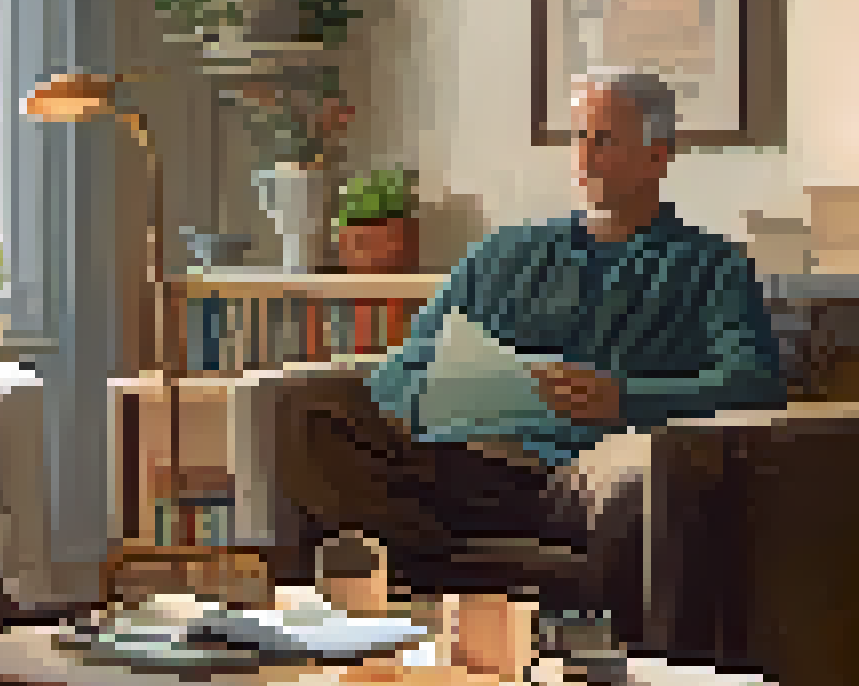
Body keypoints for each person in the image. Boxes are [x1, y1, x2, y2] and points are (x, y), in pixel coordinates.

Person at [279, 65, 785, 620]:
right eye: (579, 138)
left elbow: (754, 385)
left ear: (658, 156)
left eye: (606, 140)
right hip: (470, 464)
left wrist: (624, 399)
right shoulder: (505, 252)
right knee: (308, 415)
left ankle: (452, 590)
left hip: (590, 471)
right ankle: (434, 591)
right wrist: (447, 390)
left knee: (642, 479)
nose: (585, 157)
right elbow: (400, 369)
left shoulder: (711, 266)